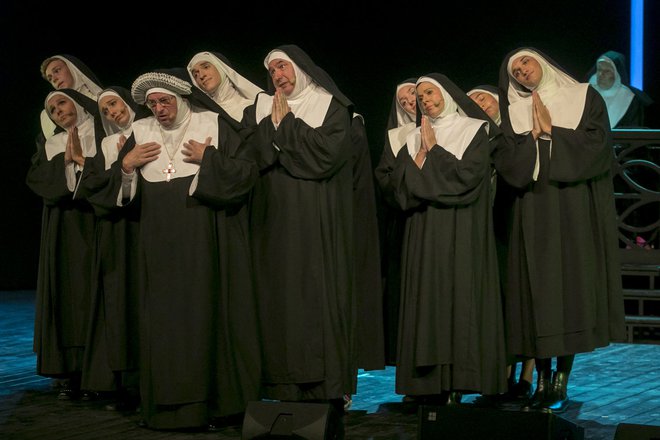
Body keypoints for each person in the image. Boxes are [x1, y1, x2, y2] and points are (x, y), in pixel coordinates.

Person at [88, 70, 261, 430]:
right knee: (163, 326)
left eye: (165, 101)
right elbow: (115, 195)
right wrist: (127, 166)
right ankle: (164, 409)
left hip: (206, 243)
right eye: (152, 104)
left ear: (181, 99)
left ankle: (212, 407)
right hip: (158, 248)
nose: (159, 109)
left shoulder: (213, 122)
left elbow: (246, 174)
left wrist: (208, 159)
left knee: (205, 317)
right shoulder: (142, 132)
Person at [494, 47, 626, 413]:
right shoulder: (512, 110)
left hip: (570, 208)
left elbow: (599, 147)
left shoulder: (584, 96)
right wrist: (530, 143)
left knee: (566, 293)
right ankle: (541, 378)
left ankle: (560, 381)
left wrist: (554, 134)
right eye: (514, 71)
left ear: (542, 62)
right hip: (532, 208)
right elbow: (506, 160)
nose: (521, 72)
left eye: (525, 63)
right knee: (536, 295)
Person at [239, 45, 363, 421]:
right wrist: (273, 132)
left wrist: (285, 129)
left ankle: (327, 390)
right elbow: (249, 157)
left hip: (316, 217)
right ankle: (280, 386)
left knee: (316, 297)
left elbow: (326, 158)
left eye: (283, 66)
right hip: (271, 219)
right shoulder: (257, 110)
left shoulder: (331, 107)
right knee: (277, 299)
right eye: (272, 69)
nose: (277, 74)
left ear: (301, 68)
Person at [376, 73, 508, 405]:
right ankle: (426, 383)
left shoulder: (474, 131)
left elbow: (466, 181)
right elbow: (401, 189)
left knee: (458, 300)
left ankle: (459, 381)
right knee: (425, 301)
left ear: (447, 94)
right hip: (422, 232)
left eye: (430, 92)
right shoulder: (412, 136)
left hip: (461, 230)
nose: (425, 100)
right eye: (420, 97)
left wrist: (431, 155)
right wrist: (422, 165)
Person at [78, 86, 151, 410]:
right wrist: (121, 166)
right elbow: (93, 188)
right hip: (115, 233)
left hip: (144, 228)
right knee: (120, 306)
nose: (111, 112)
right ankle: (122, 383)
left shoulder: (149, 130)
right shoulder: (108, 144)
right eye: (105, 111)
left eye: (113, 105)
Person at [26, 89, 101, 400]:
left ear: (77, 101)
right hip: (63, 226)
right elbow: (36, 180)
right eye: (52, 109)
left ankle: (101, 373)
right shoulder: (51, 143)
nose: (58, 111)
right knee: (70, 297)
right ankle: (71, 371)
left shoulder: (101, 130)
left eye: (62, 103)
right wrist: (65, 165)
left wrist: (84, 165)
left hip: (97, 220)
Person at [467, 85, 535, 402]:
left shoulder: (512, 131)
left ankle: (525, 375)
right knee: (493, 302)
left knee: (518, 298)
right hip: (483, 227)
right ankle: (497, 374)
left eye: (483, 97)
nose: (477, 103)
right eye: (471, 100)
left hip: (512, 222)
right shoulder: (469, 136)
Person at [377, 78, 418, 368]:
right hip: (405, 224)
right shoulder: (396, 137)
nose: (409, 103)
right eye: (402, 102)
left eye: (412, 95)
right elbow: (384, 178)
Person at [186, 51, 262, 127]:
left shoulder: (257, 105)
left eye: (206, 67)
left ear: (220, 67)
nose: (201, 75)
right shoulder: (205, 120)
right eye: (195, 75)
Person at [39, 55, 104, 140]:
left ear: (72, 68)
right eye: (50, 78)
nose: (54, 79)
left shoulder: (103, 100)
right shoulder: (48, 117)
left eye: (57, 71)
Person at [585, 50, 654, 128]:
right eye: (599, 70)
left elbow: (633, 131)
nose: (601, 74)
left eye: (607, 71)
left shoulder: (630, 98)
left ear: (616, 74)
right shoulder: (586, 93)